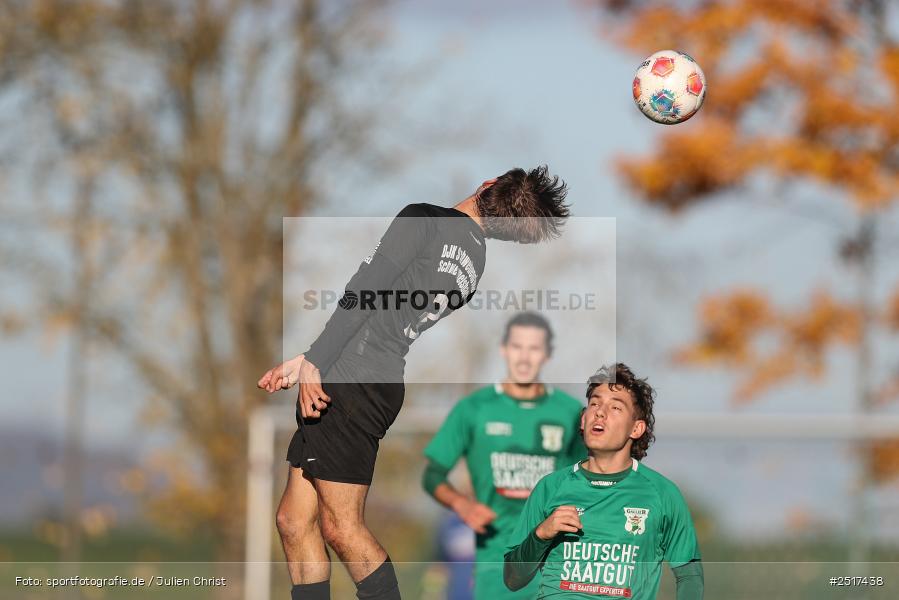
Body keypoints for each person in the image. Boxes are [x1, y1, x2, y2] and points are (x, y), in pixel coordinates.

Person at [257, 166, 570, 600]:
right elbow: (388, 310)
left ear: (488, 183)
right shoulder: (473, 266)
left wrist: (316, 360)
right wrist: (311, 359)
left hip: (353, 380)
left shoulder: (425, 217)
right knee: (294, 520)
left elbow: (368, 289)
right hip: (367, 376)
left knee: (342, 527)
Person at [504, 363, 703, 599]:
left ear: (636, 428)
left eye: (615, 407)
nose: (600, 412)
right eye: (595, 403)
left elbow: (689, 577)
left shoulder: (662, 494)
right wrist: (541, 535)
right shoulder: (551, 487)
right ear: (582, 420)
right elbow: (512, 579)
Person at [422, 312, 584, 599]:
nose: (524, 357)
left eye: (534, 348)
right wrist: (462, 504)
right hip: (495, 565)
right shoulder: (474, 409)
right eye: (517, 347)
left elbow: (590, 479)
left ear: (547, 354)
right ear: (503, 349)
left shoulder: (570, 413)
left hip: (557, 565)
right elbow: (432, 475)